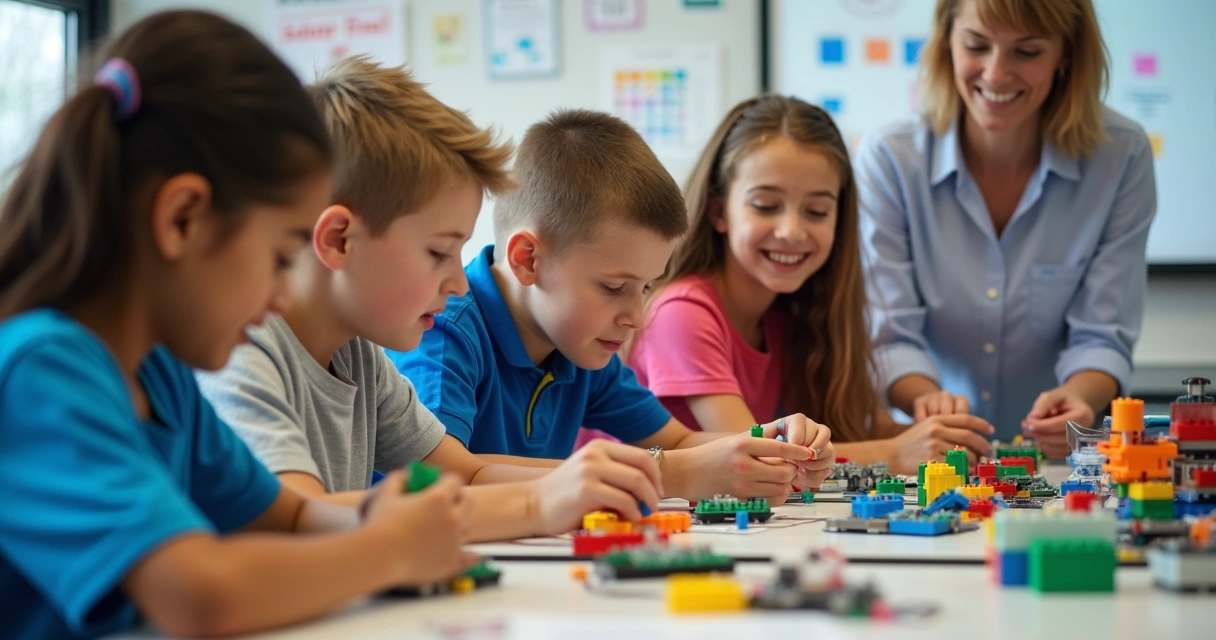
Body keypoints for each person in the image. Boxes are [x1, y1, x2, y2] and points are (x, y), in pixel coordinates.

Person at [0, 12, 473, 639]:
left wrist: (380, 514)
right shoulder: (44, 371)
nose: (282, 297)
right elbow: (201, 597)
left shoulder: (160, 374)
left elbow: (292, 518)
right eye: (281, 258)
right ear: (183, 220)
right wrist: (389, 549)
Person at [197, 57, 664, 539]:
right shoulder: (240, 352)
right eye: (439, 252)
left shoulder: (360, 357)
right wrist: (536, 503)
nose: (459, 283)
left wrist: (584, 480)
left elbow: (466, 472)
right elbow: (300, 515)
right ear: (339, 240)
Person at [391, 109, 835, 501]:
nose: (638, 317)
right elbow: (442, 477)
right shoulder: (444, 330)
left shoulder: (578, 344)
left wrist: (775, 443)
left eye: (645, 288)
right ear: (528, 259)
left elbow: (679, 442)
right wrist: (671, 475)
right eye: (613, 287)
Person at [626, 95, 993, 475]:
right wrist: (896, 452)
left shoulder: (793, 311)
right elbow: (758, 457)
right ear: (720, 211)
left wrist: (940, 437)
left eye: (816, 211)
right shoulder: (681, 313)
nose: (791, 231)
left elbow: (872, 428)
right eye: (766, 205)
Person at [857, 0, 1156, 456]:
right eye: (976, 45)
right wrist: (925, 398)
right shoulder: (890, 160)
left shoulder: (1122, 156)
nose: (996, 75)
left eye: (1028, 52)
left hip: (1057, 466)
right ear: (946, 42)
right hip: (925, 458)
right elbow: (890, 335)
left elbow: (1103, 334)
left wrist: (1080, 397)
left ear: (1067, 55)